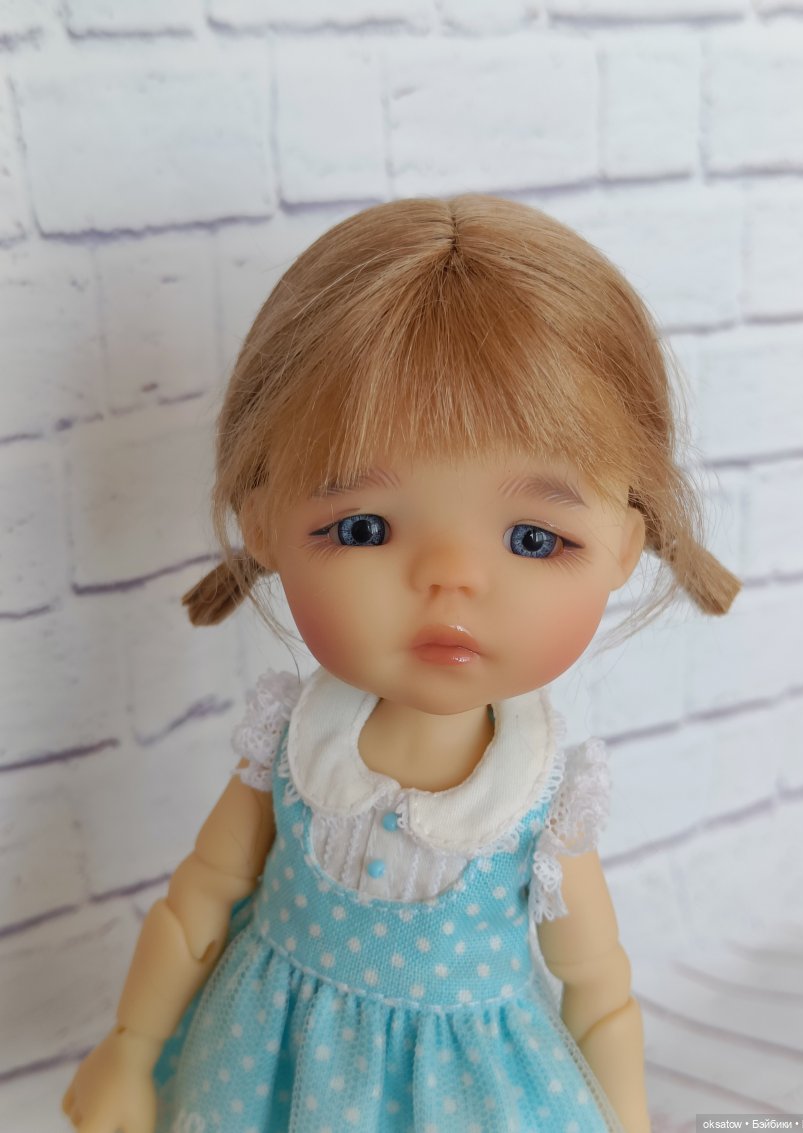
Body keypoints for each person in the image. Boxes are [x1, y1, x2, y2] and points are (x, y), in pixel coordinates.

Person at [62, 195, 740, 1133]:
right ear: (265, 523)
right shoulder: (292, 746)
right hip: (265, 1076)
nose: (450, 579)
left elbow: (598, 990)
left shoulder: (539, 801)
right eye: (364, 528)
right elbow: (197, 904)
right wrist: (129, 1049)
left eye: (533, 538)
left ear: (627, 544)